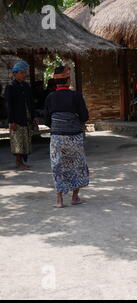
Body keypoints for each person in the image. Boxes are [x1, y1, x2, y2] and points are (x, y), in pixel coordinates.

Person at [44, 65, 89, 208]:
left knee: (58, 166)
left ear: (56, 82)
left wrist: (58, 125)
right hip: (74, 137)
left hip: (57, 138)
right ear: (68, 81)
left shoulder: (50, 97)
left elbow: (46, 120)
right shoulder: (76, 96)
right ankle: (75, 197)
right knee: (77, 165)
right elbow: (84, 116)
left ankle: (59, 200)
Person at [4, 61, 35, 170]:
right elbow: (9, 105)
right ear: (14, 74)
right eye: (21, 72)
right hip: (16, 119)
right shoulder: (10, 87)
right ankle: (18, 162)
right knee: (17, 142)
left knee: (25, 141)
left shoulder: (26, 86)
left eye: (24, 72)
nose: (24, 75)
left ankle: (22, 161)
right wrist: (11, 121)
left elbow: (30, 102)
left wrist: (33, 116)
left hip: (25, 118)